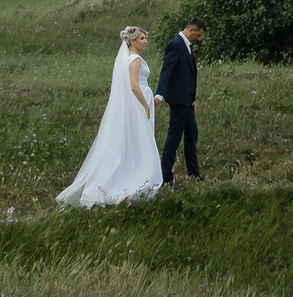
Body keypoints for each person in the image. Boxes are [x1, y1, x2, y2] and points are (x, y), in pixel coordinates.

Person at [55, 27, 164, 207]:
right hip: (138, 102)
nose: (146, 41)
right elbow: (134, 86)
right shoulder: (135, 60)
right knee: (141, 139)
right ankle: (136, 176)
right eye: (142, 38)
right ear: (132, 41)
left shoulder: (126, 58)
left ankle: (132, 172)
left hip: (134, 102)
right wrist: (146, 104)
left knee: (134, 139)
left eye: (146, 38)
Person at [158, 17, 206, 184]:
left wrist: (192, 98)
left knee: (192, 134)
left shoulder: (186, 46)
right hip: (178, 101)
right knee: (174, 137)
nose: (199, 39)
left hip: (187, 101)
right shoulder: (176, 44)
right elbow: (167, 71)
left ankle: (194, 173)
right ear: (191, 30)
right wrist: (159, 95)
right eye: (199, 35)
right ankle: (166, 177)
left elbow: (189, 75)